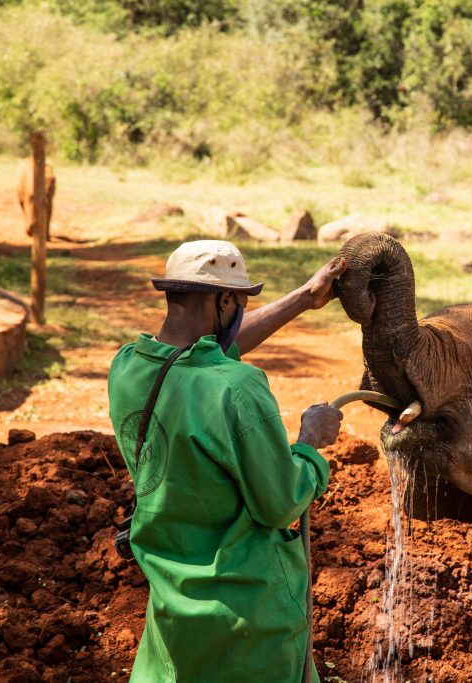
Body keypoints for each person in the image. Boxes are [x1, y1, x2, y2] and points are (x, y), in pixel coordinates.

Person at [107, 240, 346, 682]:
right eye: (237, 303)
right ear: (223, 300)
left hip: (174, 614)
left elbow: (210, 352)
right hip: (250, 619)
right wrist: (310, 444)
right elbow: (281, 502)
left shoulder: (127, 368)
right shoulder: (237, 389)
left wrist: (303, 299)